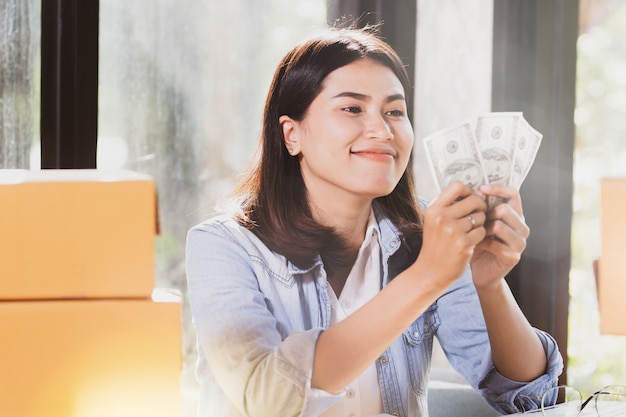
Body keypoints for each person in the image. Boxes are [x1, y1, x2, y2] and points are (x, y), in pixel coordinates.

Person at [185, 25, 563, 417]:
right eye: (352, 108)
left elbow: (529, 396)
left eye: (394, 111)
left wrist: (489, 283)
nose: (382, 131)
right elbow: (265, 398)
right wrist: (427, 276)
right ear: (291, 134)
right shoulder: (223, 246)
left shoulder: (423, 235)